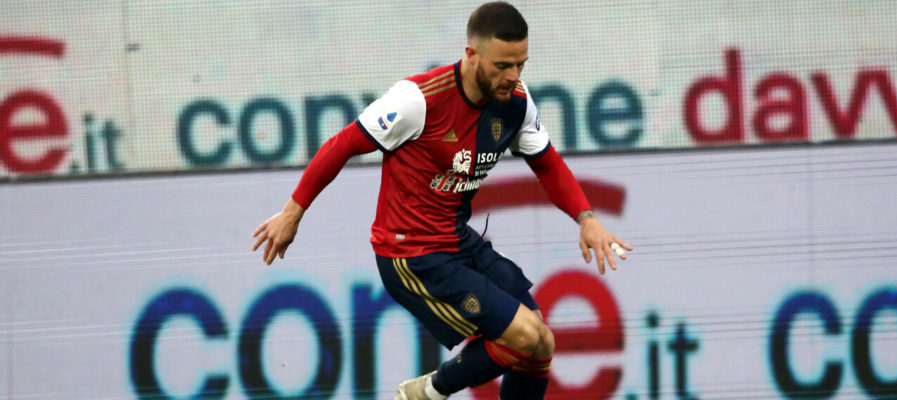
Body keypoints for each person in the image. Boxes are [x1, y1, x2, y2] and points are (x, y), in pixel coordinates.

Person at [251, 2, 633, 399]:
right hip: (410, 253)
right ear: (471, 55)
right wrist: (293, 212)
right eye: (502, 65)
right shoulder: (418, 100)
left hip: (457, 240)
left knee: (541, 346)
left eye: (521, 64)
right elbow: (343, 143)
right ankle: (427, 393)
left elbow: (548, 164)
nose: (514, 76)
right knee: (522, 334)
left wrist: (586, 218)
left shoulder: (517, 102)